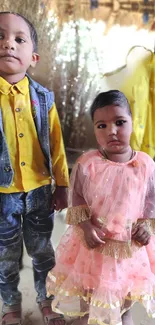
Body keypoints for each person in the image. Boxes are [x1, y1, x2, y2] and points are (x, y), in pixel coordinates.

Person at [46, 90, 155, 325]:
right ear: (94, 129)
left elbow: (150, 200)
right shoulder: (88, 163)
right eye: (102, 125)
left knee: (124, 305)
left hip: (130, 249)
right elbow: (77, 199)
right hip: (93, 247)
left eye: (119, 122)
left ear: (132, 122)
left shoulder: (145, 164)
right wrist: (85, 226)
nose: (112, 131)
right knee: (88, 302)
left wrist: (146, 227)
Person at [0, 11, 69, 325]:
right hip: (3, 197)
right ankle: (11, 306)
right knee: (5, 258)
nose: (7, 45)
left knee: (43, 254)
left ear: (33, 57)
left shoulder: (43, 99)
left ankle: (47, 300)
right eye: (0, 37)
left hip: (40, 193)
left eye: (18, 39)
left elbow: (57, 146)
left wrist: (64, 185)